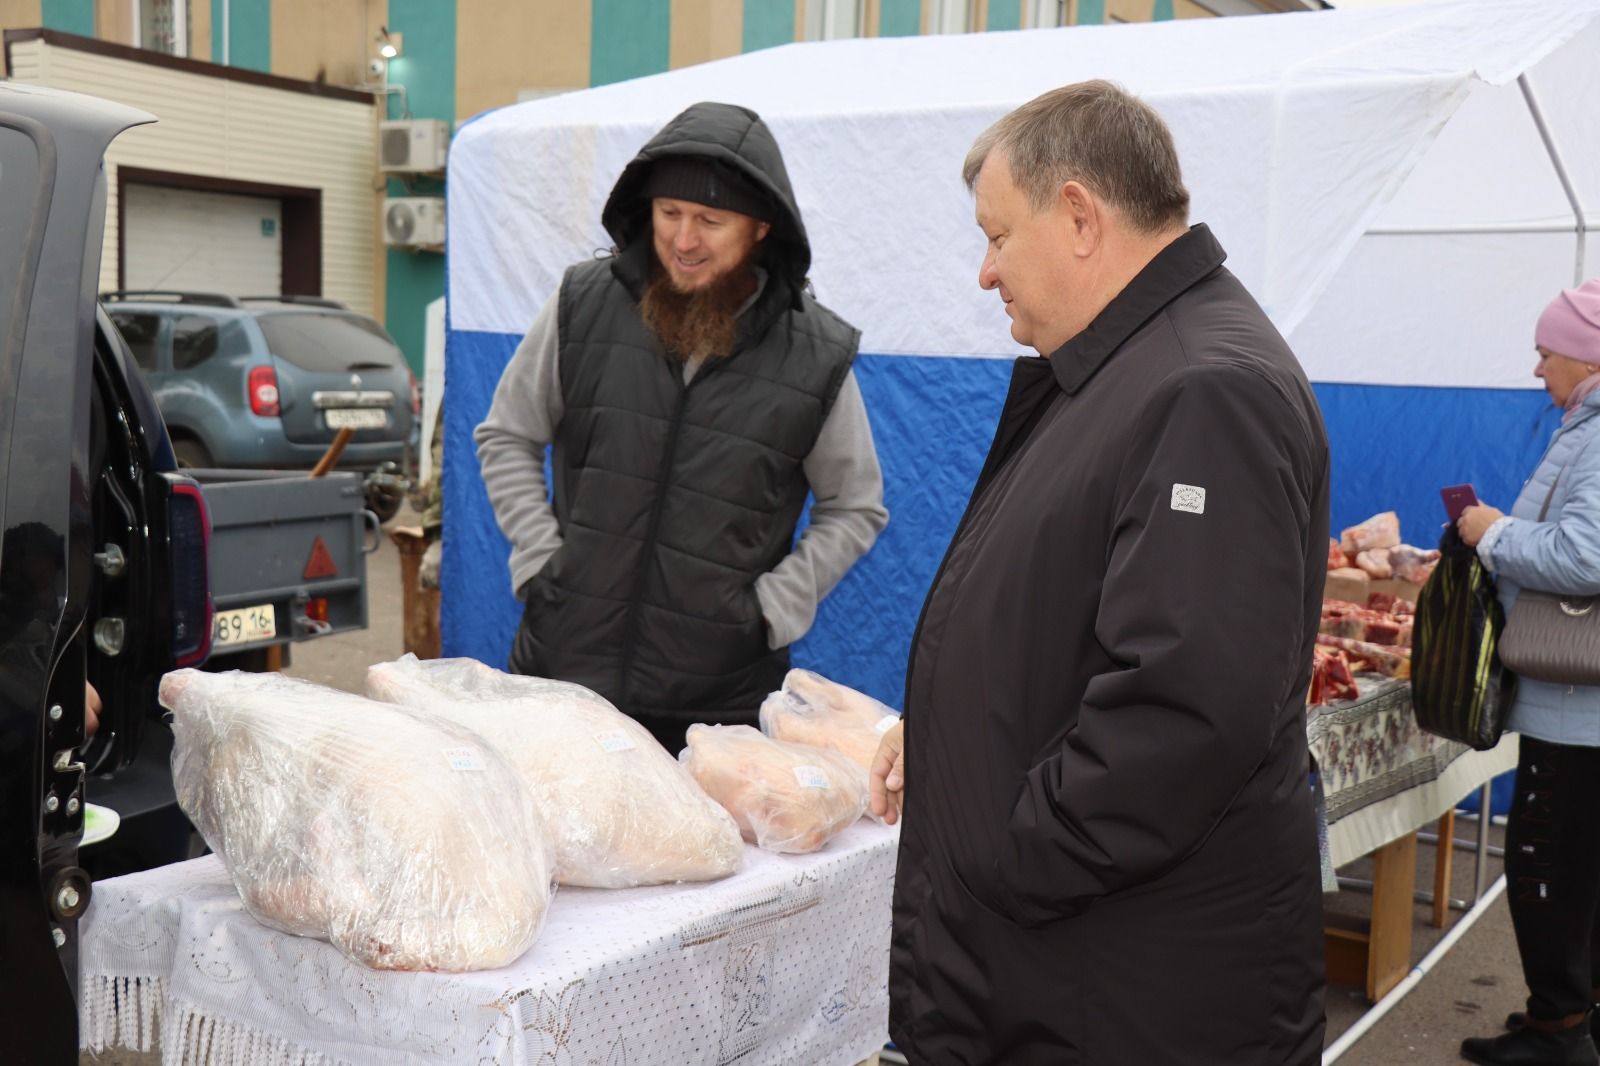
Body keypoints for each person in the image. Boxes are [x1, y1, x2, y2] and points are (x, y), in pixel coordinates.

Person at [869, 80, 1328, 1064]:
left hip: (1117, 988)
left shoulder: (1205, 389)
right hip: (1081, 966)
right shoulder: (1116, 373)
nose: (985, 272)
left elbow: (1183, 706)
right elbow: (1068, 616)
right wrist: (953, 730)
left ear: (1077, 215)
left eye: (996, 235)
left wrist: (1010, 856)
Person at [476, 101, 888, 755]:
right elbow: (507, 434)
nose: (684, 239)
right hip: (561, 678)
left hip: (715, 710)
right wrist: (540, 560)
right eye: (669, 213)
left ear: (760, 228)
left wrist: (771, 609)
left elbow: (855, 507)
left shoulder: (815, 353)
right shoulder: (582, 304)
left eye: (709, 220)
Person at [1457, 279, 1600, 1066]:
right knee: (1578, 867)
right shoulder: (1583, 427)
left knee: (1547, 863)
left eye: (1545, 351)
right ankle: (1570, 1017)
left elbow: (1587, 555)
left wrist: (1493, 532)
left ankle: (1558, 1037)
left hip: (1576, 705)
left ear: (1583, 355)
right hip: (1575, 704)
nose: (1537, 368)